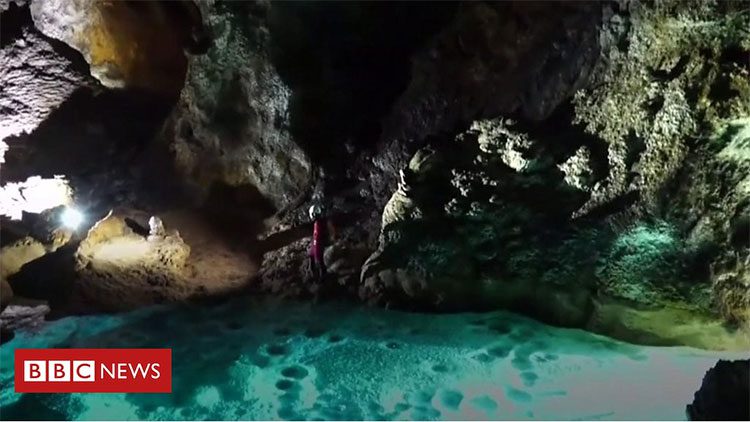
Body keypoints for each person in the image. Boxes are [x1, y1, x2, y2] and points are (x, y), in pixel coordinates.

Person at [308, 203, 335, 282]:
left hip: (318, 242)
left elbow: (317, 236)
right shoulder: (321, 222)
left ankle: (322, 277)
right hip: (317, 241)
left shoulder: (319, 223)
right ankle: (314, 272)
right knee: (311, 255)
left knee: (319, 260)